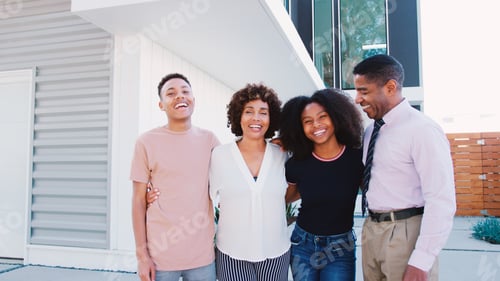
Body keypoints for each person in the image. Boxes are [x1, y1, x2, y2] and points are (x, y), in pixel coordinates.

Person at [352, 54, 456, 281]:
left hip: (406, 233)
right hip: (372, 229)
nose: (357, 99)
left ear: (390, 87)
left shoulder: (422, 130)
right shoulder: (371, 131)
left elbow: (441, 199)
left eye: (364, 91)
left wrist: (422, 260)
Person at [130, 73, 219, 281]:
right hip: (160, 258)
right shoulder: (146, 142)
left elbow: (233, 174)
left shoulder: (210, 140)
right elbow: (137, 202)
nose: (180, 96)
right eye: (171, 93)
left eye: (185, 92)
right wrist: (142, 257)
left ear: (193, 101)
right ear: (161, 105)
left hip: (202, 258)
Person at [279, 88, 364, 281]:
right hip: (303, 244)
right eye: (307, 121)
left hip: (340, 247)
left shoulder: (356, 158)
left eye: (322, 117)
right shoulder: (297, 162)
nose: (316, 125)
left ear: (336, 117)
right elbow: (288, 197)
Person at [209, 83, 290, 281]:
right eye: (249, 111)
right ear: (238, 116)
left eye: (263, 112)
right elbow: (205, 198)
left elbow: (293, 191)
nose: (256, 118)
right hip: (231, 253)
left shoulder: (282, 155)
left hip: (276, 252)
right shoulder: (220, 155)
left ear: (271, 119)